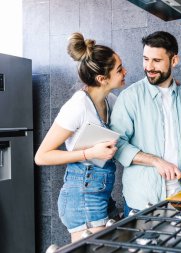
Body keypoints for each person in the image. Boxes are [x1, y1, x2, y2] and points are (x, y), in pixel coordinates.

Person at [34, 32, 127, 242]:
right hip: (81, 197)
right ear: (102, 79)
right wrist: (89, 153)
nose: (125, 72)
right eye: (119, 69)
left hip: (101, 194)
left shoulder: (111, 100)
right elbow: (42, 156)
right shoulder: (77, 106)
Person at [110, 31, 181, 212]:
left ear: (174, 61)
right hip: (142, 203)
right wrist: (156, 161)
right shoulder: (130, 97)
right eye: (146, 59)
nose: (149, 67)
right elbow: (117, 144)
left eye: (156, 60)